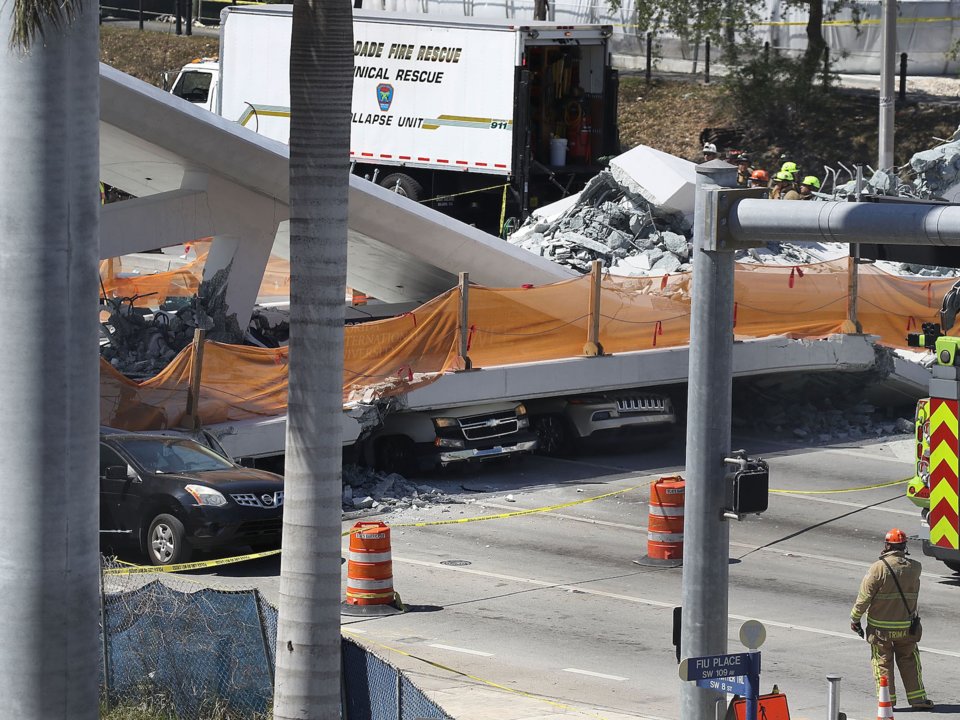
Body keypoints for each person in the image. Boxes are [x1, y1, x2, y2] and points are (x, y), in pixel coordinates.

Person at [850, 528, 934, 710]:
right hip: (907, 628)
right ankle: (918, 699)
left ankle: (888, 701)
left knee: (882, 664)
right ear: (904, 546)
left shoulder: (878, 568)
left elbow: (864, 598)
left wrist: (855, 619)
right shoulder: (915, 567)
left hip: (881, 630)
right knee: (910, 661)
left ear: (887, 545)